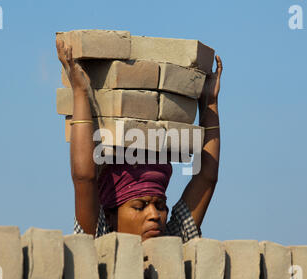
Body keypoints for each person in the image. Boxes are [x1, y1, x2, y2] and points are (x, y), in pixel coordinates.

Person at [56, 38, 223, 243]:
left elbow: (206, 177)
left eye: (160, 206)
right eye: (140, 206)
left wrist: (210, 102)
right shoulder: (99, 242)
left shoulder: (172, 240)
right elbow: (84, 178)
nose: (154, 215)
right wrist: (80, 92)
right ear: (110, 216)